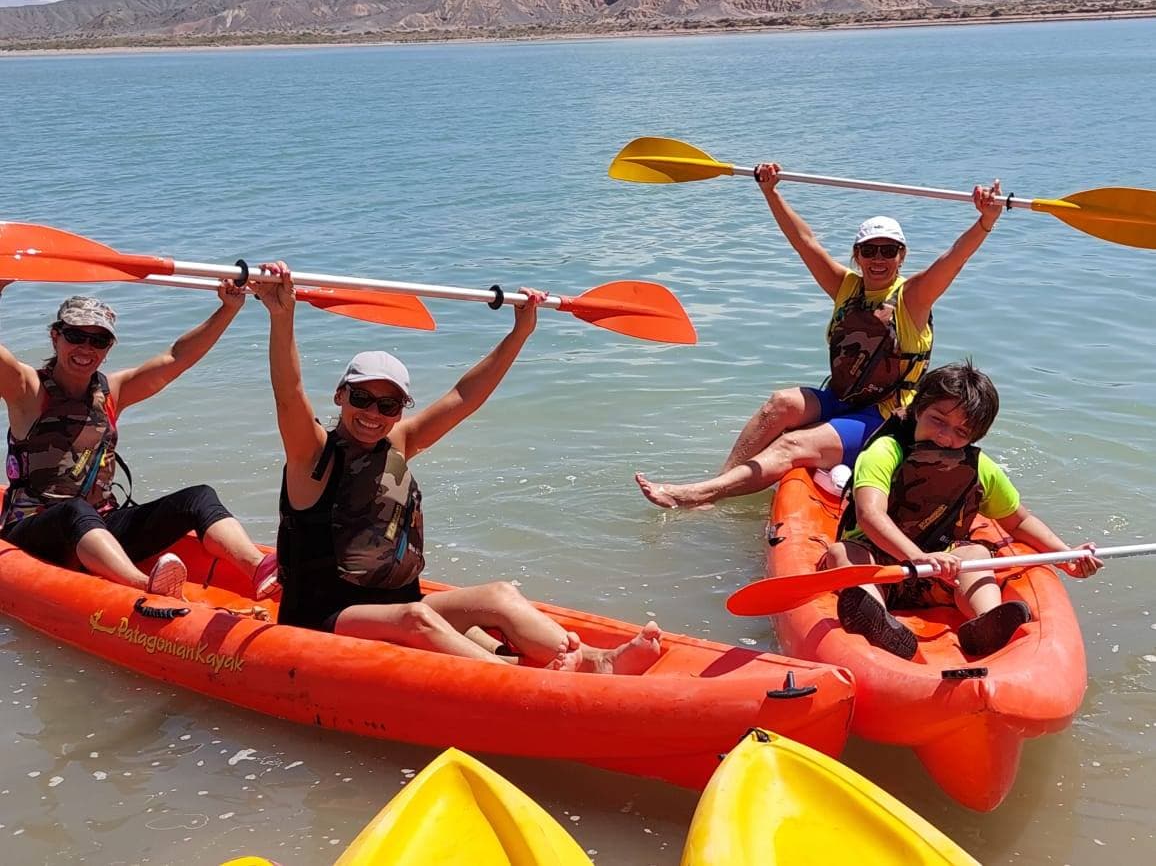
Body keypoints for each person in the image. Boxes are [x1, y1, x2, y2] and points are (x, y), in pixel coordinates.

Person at [254, 263, 662, 671]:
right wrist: (282, 315)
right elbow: (288, 392)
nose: (373, 414)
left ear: (400, 410)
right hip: (322, 619)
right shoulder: (312, 455)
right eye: (361, 399)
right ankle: (518, 679)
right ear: (340, 395)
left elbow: (464, 396)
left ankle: (598, 661)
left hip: (398, 603)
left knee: (499, 595)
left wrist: (520, 332)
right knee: (416, 618)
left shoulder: (398, 443)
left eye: (388, 405)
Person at [636, 163, 1006, 509]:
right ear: (857, 255)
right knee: (780, 403)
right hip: (842, 398)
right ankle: (720, 485)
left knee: (791, 444)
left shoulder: (913, 297)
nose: (878, 259)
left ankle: (696, 495)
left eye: (888, 251)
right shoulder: (845, 287)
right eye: (869, 250)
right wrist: (770, 192)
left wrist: (984, 221)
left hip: (884, 414)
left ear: (902, 256)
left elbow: (953, 259)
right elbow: (804, 241)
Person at [0, 289, 278, 599]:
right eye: (75, 336)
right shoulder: (29, 389)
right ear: (56, 336)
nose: (86, 348)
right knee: (74, 511)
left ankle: (260, 569)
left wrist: (229, 307)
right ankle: (143, 587)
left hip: (100, 526)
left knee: (198, 497)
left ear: (109, 347)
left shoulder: (111, 392)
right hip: (34, 532)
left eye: (99, 340)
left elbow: (177, 358)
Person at [824, 361, 1103, 659]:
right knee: (843, 553)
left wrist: (1065, 556)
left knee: (977, 554)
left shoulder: (980, 469)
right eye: (938, 420)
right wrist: (916, 556)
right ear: (918, 409)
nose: (945, 436)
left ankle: (986, 623)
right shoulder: (885, 451)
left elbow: (1018, 521)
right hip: (884, 569)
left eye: (961, 431)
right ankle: (878, 621)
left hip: (942, 576)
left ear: (974, 436)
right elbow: (870, 515)